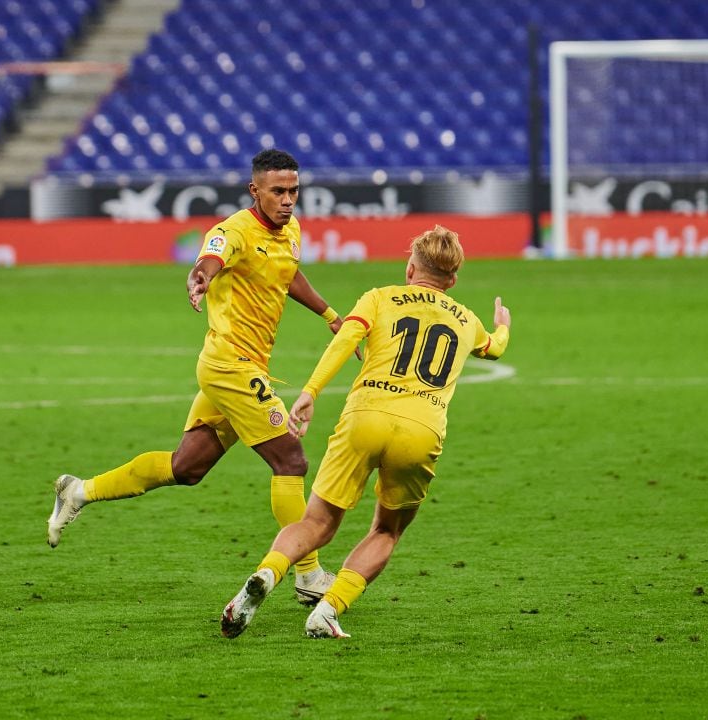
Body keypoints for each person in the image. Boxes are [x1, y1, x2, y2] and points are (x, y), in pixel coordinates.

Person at [47, 149, 354, 604]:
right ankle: (308, 575)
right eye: (278, 192)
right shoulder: (231, 231)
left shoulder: (290, 231)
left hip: (238, 367)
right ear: (255, 191)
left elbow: (287, 275)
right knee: (290, 461)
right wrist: (201, 277)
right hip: (231, 365)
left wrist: (329, 313)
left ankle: (79, 491)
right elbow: (211, 259)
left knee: (186, 466)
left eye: (293, 191)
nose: (288, 200)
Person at [220, 225, 511, 640]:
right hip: (422, 429)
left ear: (411, 268)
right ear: (453, 280)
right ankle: (329, 609)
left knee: (317, 521)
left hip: (365, 417)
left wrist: (309, 392)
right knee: (386, 530)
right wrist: (502, 326)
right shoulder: (467, 320)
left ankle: (267, 573)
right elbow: (494, 348)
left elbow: (344, 342)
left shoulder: (379, 297)